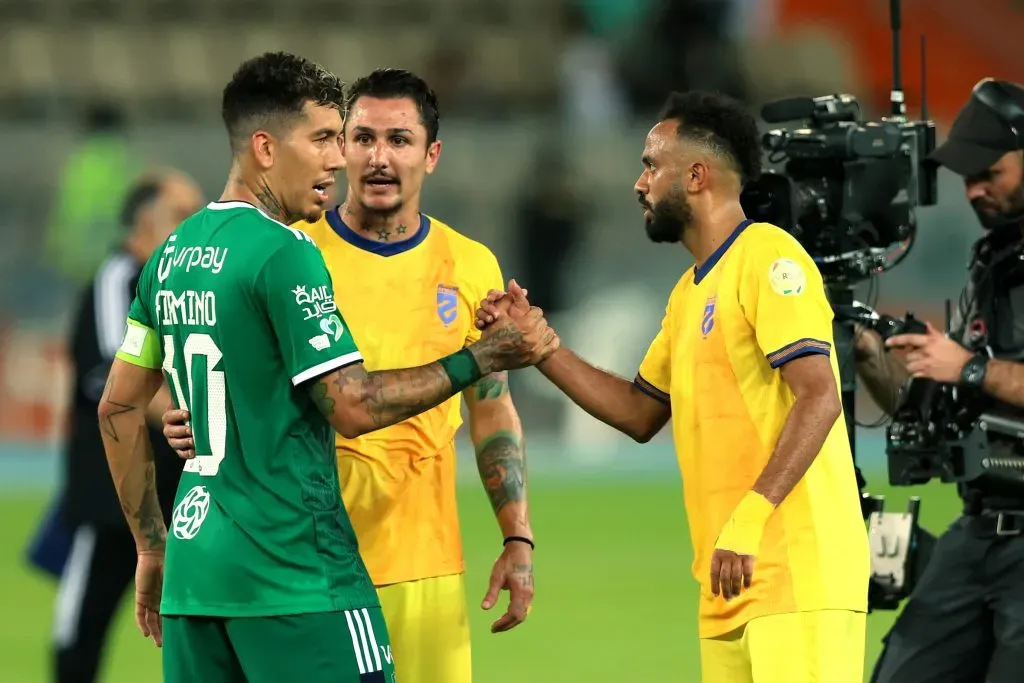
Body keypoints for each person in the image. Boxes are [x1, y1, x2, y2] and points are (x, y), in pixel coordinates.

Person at [98, 52, 555, 683]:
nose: (352, 159)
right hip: (303, 565)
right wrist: (483, 355)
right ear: (266, 147)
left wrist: (153, 543)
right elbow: (352, 405)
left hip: (235, 567)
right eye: (338, 139)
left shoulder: (174, 252)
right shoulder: (292, 250)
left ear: (431, 153)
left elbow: (120, 404)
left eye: (394, 140)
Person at [476, 90, 870, 682]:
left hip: (796, 573)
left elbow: (819, 395)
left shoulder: (768, 256)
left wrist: (748, 519)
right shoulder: (689, 293)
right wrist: (540, 347)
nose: (640, 183)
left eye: (651, 165)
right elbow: (639, 412)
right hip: (728, 580)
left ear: (695, 175)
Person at [860, 78, 1024, 683]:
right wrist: (875, 357)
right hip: (979, 527)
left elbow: (969, 372)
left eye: (992, 173)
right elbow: (924, 408)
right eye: (968, 176)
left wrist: (969, 366)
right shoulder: (993, 261)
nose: (975, 189)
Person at [44, 169, 203, 683]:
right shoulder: (119, 281)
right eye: (182, 215)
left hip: (183, 493)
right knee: (82, 628)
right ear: (143, 224)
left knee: (202, 629)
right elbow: (116, 379)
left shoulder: (187, 283)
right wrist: (194, 419)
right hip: (112, 496)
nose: (194, 226)